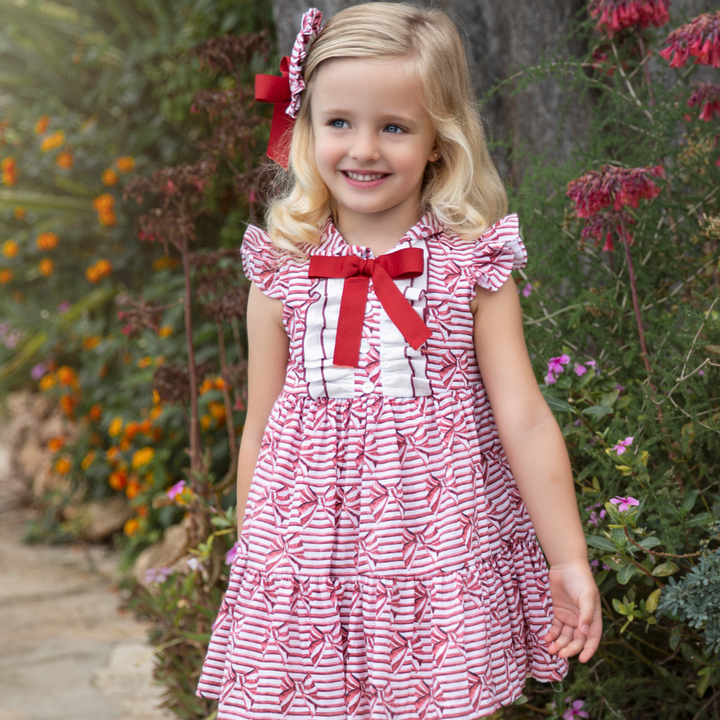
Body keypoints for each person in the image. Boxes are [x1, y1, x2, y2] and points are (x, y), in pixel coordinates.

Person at [197, 4, 602, 718]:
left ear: (439, 142)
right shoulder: (281, 272)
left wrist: (566, 556)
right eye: (340, 123)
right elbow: (260, 427)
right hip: (307, 563)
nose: (363, 150)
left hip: (433, 556)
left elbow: (525, 419)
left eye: (394, 127)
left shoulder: (472, 269)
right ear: (308, 127)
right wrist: (253, 560)